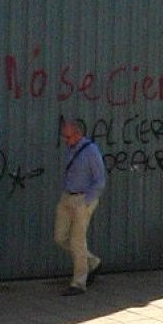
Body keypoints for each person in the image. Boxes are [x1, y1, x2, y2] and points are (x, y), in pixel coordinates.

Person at [54, 117, 107, 295]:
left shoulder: (91, 151)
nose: (65, 141)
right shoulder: (71, 149)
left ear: (78, 135)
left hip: (83, 199)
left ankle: (78, 283)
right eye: (64, 137)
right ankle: (92, 262)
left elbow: (100, 180)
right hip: (68, 196)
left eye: (68, 137)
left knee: (77, 241)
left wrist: (86, 201)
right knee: (60, 237)